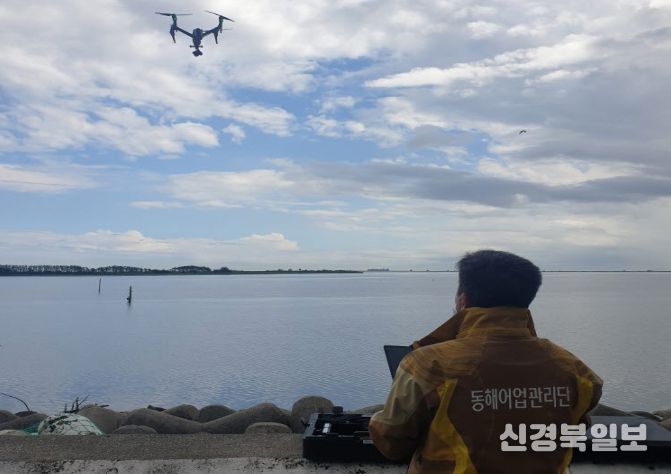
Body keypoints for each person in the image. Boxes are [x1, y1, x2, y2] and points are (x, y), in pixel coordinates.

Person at [369, 250, 602, 474]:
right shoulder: (576, 371)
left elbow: (391, 444)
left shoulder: (427, 365)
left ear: (463, 301)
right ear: (526, 301)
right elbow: (575, 431)